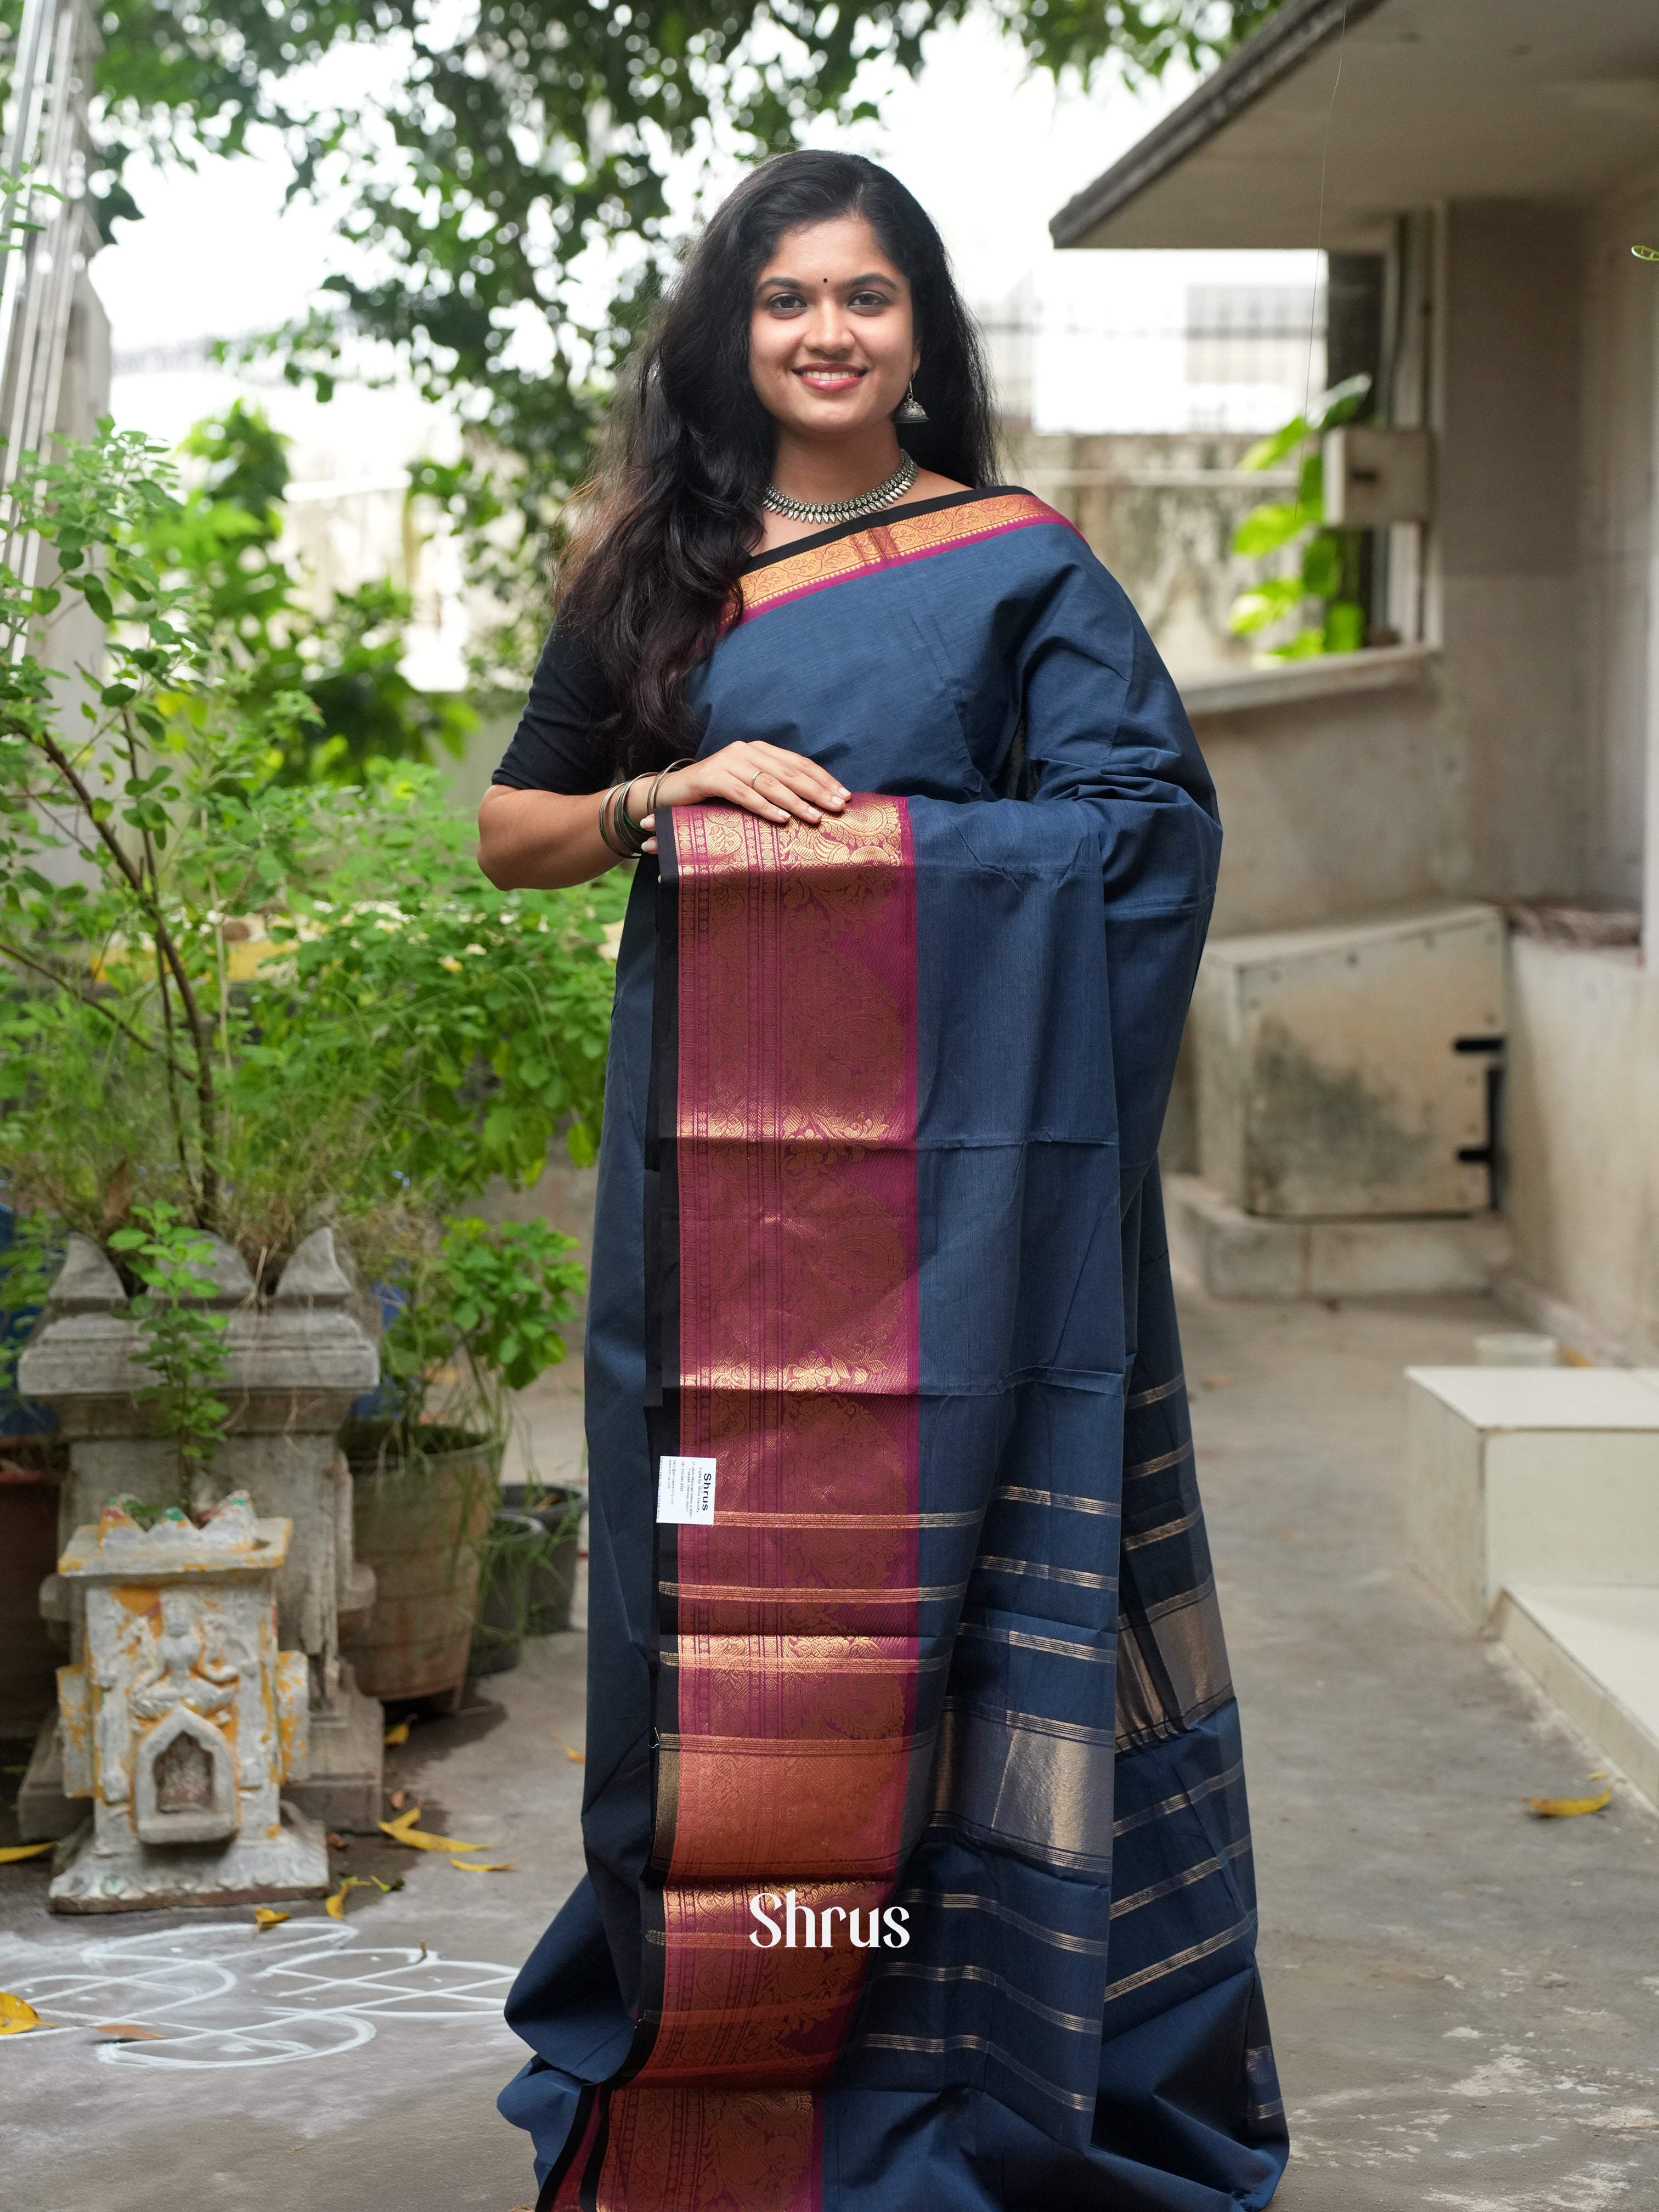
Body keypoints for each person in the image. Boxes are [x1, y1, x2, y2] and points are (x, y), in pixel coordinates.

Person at [479, 147, 1287, 2212]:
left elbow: (1145, 837)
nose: (825, 333)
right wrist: (676, 790)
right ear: (728, 332)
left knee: (975, 1608)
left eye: (865, 296)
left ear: (921, 325)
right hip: (728, 1219)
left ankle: (974, 2049)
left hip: (976, 1219)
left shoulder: (1016, 561)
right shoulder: (659, 564)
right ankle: (734, 2034)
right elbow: (519, 829)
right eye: (785, 301)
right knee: (720, 1611)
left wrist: (874, 854)